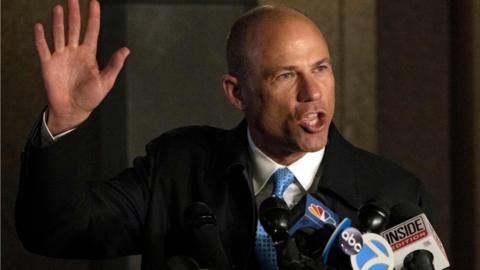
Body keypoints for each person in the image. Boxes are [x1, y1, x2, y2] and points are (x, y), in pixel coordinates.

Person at [15, 1, 432, 269]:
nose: (313, 92)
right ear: (237, 93)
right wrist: (64, 121)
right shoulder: (176, 168)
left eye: (321, 68)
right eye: (287, 75)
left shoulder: (395, 194)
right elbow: (55, 229)